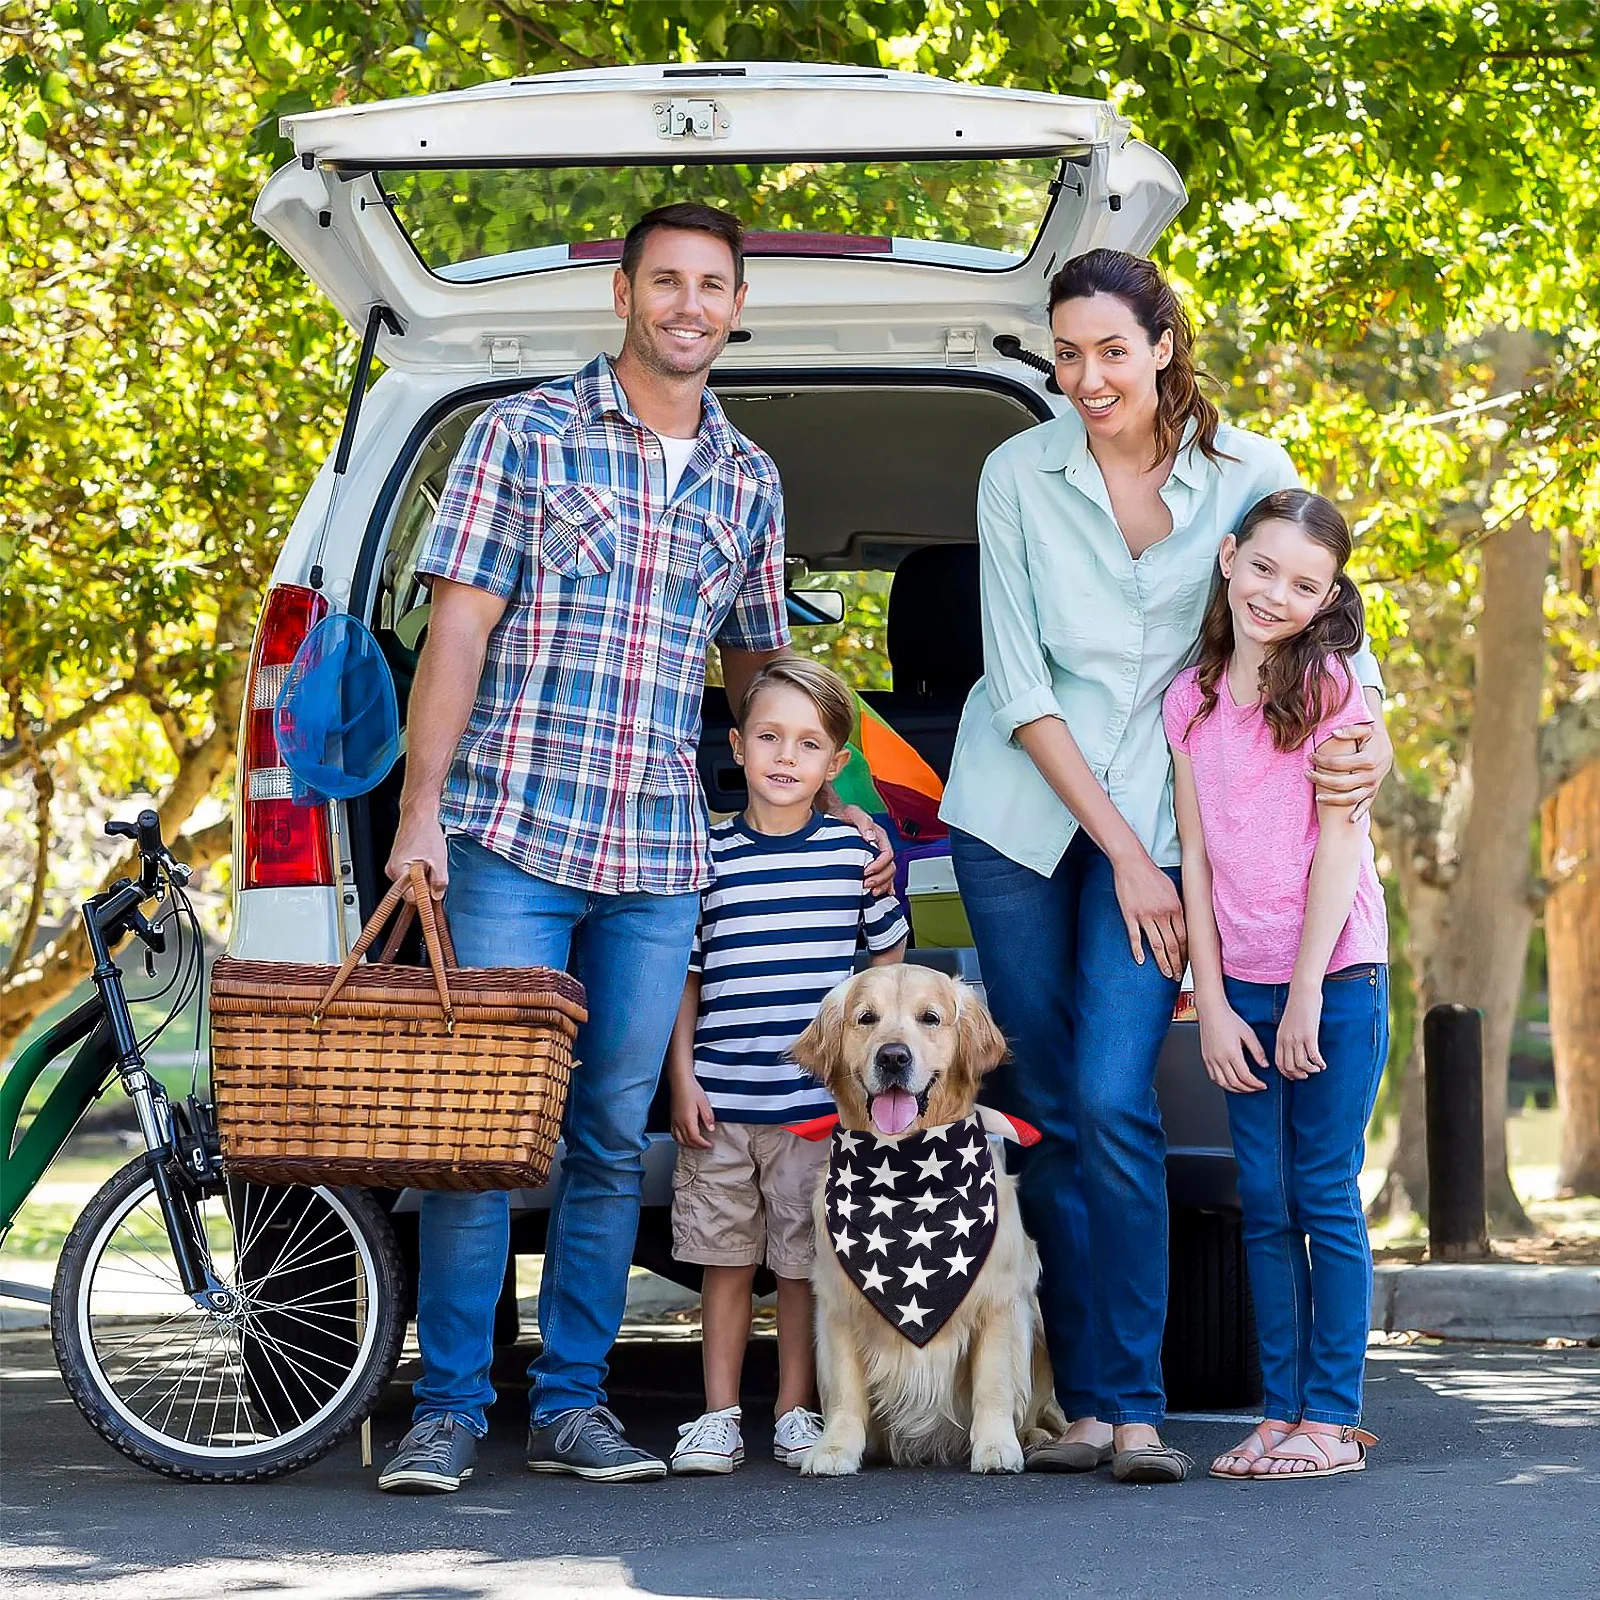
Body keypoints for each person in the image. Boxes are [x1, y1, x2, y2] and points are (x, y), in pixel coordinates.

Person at [376, 203, 889, 1494]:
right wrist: (420, 811)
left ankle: (572, 1407)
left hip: (662, 856)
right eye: (667, 281)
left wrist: (842, 800)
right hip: (512, 837)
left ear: (734, 307)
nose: (689, 305)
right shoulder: (523, 435)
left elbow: (768, 673)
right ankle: (445, 1407)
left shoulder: (748, 479)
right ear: (624, 293)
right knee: (481, 1134)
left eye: (712, 286)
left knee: (610, 1137)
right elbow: (455, 637)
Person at [938, 249, 1392, 1484]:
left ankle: (1141, 1410)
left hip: (1169, 828)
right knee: (1052, 1112)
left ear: (1162, 346)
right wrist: (1124, 853)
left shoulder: (1247, 473)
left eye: (1111, 351)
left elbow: (1329, 618)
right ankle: (1093, 1400)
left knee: (1111, 1089)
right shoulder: (1013, 474)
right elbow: (1021, 682)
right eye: (1066, 352)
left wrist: (1365, 753)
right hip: (1021, 815)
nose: (1087, 378)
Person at [1165, 489, 1387, 1480]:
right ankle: (1280, 1410)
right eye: (1261, 568)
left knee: (1322, 1194)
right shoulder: (1193, 699)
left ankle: (1331, 1420)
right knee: (1263, 1200)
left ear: (1327, 594)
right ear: (1227, 558)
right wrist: (1210, 1000)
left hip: (1333, 978)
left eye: (1303, 583)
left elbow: (1338, 848)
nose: (1274, 594)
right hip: (1238, 987)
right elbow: (1197, 860)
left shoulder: (1333, 691)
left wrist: (1301, 992)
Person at [666, 657, 908, 1475]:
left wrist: (872, 1086)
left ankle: (796, 1411)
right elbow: (686, 979)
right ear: (735, 745)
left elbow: (887, 976)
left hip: (816, 1111)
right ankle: (717, 1416)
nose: (784, 757)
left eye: (807, 745)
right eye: (768, 737)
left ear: (835, 765)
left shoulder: (853, 856)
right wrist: (682, 1078)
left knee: (805, 1268)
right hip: (723, 1103)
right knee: (725, 1263)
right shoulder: (708, 856)